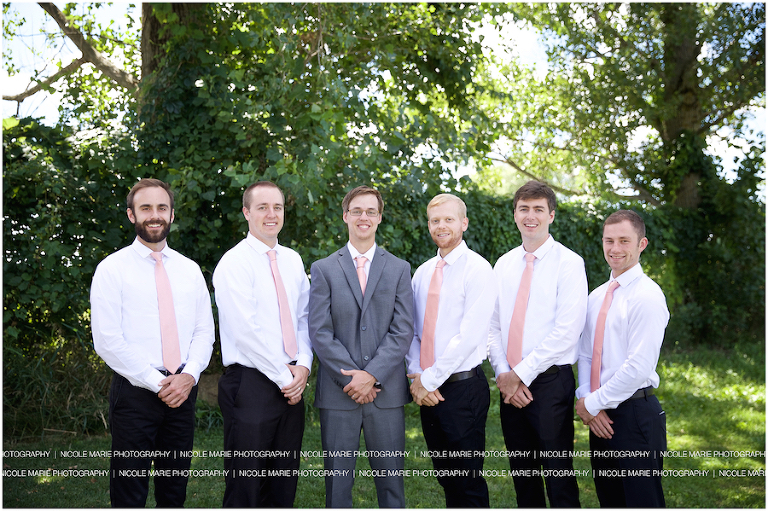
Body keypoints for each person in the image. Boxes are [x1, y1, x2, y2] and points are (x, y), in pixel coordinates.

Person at [91, 178, 215, 507]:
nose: (154, 214)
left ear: (172, 214)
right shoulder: (112, 269)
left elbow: (204, 332)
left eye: (161, 207)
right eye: (145, 208)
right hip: (136, 394)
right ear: (132, 215)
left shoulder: (190, 270)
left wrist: (188, 377)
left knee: (174, 491)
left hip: (183, 391)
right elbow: (107, 340)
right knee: (129, 492)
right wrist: (159, 383)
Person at [309, 185, 414, 508]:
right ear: (345, 216)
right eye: (357, 211)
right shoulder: (324, 269)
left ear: (379, 218)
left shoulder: (399, 268)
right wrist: (353, 378)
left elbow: (403, 329)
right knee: (337, 486)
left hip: (387, 394)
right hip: (340, 394)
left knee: (392, 485)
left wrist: (372, 374)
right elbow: (320, 331)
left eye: (370, 211)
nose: (363, 217)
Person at [487, 180, 587, 507]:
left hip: (550, 382)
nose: (531, 216)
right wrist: (504, 374)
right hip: (509, 385)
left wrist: (519, 374)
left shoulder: (570, 264)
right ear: (515, 214)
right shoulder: (503, 264)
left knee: (558, 474)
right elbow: (493, 325)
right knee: (523, 474)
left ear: (552, 215)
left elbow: (567, 331)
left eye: (538, 210)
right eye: (524, 209)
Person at [213, 181, 312, 507]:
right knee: (247, 487)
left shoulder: (293, 260)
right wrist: (287, 379)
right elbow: (246, 332)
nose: (272, 214)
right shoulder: (234, 263)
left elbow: (303, 318)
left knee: (283, 485)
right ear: (246, 212)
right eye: (262, 207)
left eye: (278, 207)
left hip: (291, 383)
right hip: (251, 384)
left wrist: (304, 366)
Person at [406, 193, 496, 507]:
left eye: (448, 219)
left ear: (464, 223)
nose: (441, 226)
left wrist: (428, 381)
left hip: (462, 389)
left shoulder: (479, 270)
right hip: (428, 389)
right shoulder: (422, 272)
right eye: (435, 220)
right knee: (446, 478)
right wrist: (418, 374)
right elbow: (414, 332)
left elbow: (469, 337)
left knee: (467, 482)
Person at [575, 210, 669, 508]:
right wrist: (589, 401)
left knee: (642, 503)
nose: (615, 249)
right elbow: (586, 355)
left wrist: (591, 404)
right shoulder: (596, 296)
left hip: (635, 416)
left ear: (641, 244)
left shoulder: (648, 296)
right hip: (601, 417)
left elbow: (638, 366)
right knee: (610, 501)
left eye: (624, 241)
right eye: (609, 241)